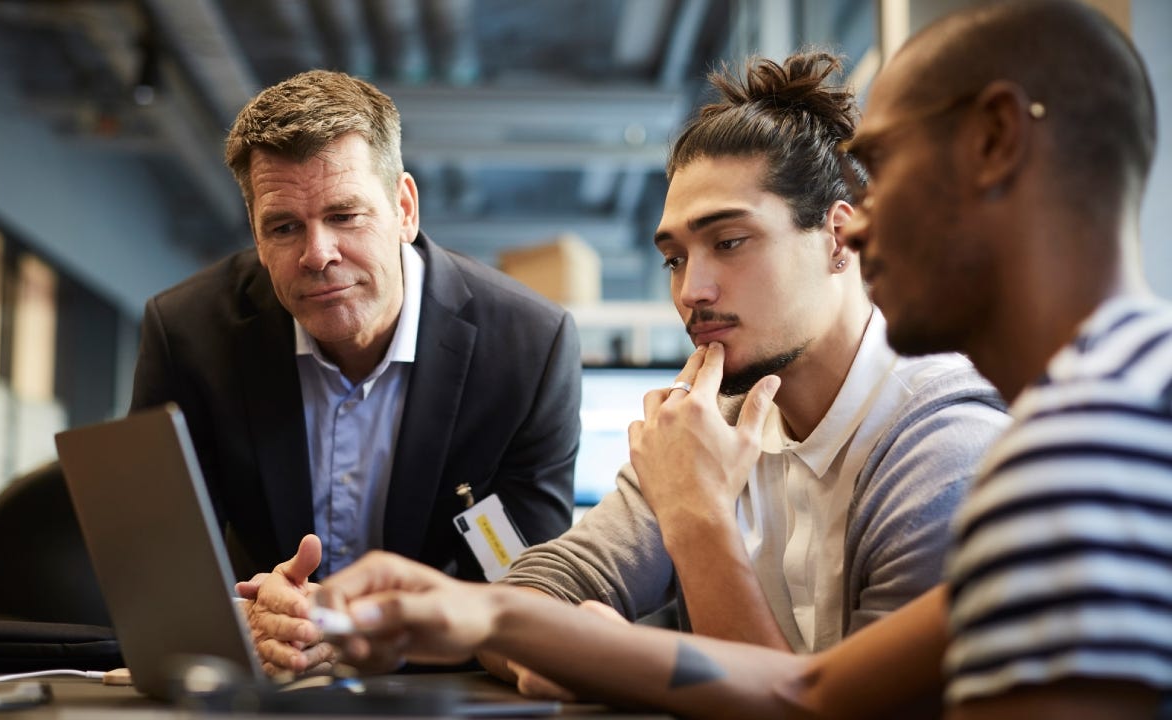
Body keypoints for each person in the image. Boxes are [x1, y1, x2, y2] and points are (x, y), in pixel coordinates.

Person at [250, 0, 1172, 717]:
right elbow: (814, 696)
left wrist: (693, 517)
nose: (868, 214)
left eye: (884, 167)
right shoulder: (1088, 426)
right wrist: (498, 616)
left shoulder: (1066, 449)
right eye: (676, 256)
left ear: (994, 141)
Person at [129, 70, 581, 596]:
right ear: (255, 231)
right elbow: (157, 568)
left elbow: (530, 590)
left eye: (344, 215)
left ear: (404, 210)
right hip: (264, 665)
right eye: (283, 227)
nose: (317, 254)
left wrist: (384, 626)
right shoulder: (187, 336)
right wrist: (246, 619)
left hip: (441, 667)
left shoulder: (528, 349)